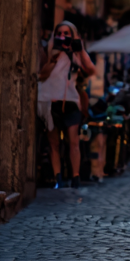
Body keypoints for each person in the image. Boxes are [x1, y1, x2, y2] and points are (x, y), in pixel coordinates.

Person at [38, 20, 96, 188]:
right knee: (54, 143)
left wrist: (79, 50)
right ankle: (58, 178)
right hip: (50, 101)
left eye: (66, 34)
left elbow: (91, 70)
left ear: (73, 36)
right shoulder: (49, 50)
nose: (62, 37)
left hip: (71, 101)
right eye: (59, 34)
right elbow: (41, 75)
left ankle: (75, 178)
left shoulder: (76, 53)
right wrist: (54, 57)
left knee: (74, 142)